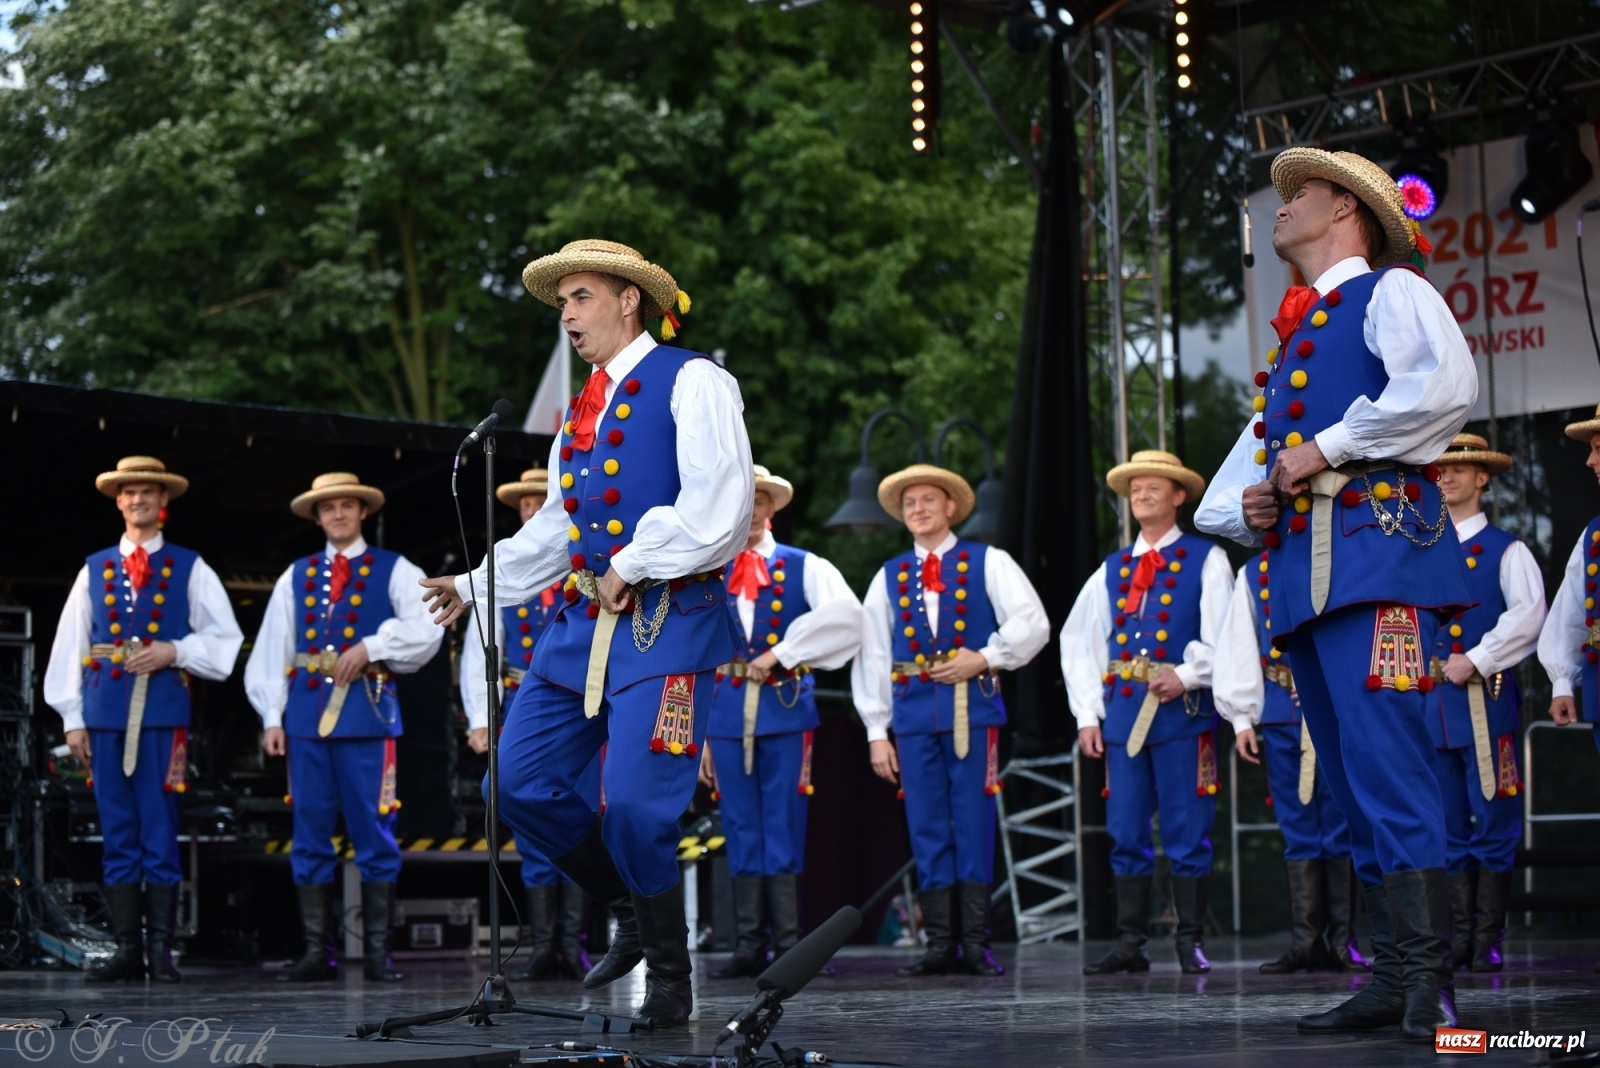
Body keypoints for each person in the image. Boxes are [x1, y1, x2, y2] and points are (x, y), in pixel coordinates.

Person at [420, 240, 752, 1027]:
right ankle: (626, 908)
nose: (566, 314)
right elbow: (560, 526)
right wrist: (474, 585)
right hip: (582, 629)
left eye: (579, 297)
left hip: (668, 625)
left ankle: (671, 980)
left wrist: (633, 561)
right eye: (562, 301)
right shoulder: (584, 407)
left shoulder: (693, 380)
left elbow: (722, 505)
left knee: (638, 807)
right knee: (516, 784)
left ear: (628, 300)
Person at [1195, 148, 1477, 1041]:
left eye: (1300, 196)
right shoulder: (1290, 348)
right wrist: (1253, 499)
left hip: (1376, 561)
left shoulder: (1392, 292)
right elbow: (1222, 503)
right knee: (1352, 780)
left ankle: (1431, 984)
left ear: (1347, 210)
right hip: (1305, 582)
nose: (1281, 210)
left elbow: (1444, 389)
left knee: (1391, 765)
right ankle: (1390, 978)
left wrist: (1327, 447)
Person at [44, 457, 243, 983]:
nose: (138, 502)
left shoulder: (189, 566)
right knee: (117, 828)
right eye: (129, 494)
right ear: (119, 502)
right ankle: (127, 950)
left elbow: (226, 639)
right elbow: (71, 645)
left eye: (147, 494)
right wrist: (72, 717)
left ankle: (162, 952)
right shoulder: (94, 568)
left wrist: (174, 650)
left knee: (160, 826)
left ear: (163, 503)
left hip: (161, 715)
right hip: (105, 714)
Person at [852, 464, 1049, 978]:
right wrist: (877, 732)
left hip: (973, 712)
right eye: (910, 503)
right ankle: (940, 942)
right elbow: (872, 655)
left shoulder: (989, 561)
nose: (919, 509)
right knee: (926, 826)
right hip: (913, 715)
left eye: (928, 501)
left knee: (974, 820)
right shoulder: (889, 575)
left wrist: (984, 656)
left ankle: (976, 942)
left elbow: (1033, 624)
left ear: (951, 507)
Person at [244, 472, 442, 982]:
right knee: (308, 832)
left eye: (347, 506)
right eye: (328, 508)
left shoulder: (394, 569)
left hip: (368, 716)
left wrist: (373, 646)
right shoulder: (298, 574)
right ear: (317, 516)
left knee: (374, 832)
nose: (338, 514)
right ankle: (317, 950)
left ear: (362, 512)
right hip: (307, 719)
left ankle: (378, 953)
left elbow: (428, 627)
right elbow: (272, 647)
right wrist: (271, 715)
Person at [1062, 451, 1232, 976]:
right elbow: (1079, 642)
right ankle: (1130, 942)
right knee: (1126, 827)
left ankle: (1188, 941)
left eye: (1154, 486)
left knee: (1187, 827)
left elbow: (1225, 635)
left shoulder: (1208, 559)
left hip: (1183, 712)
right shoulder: (1112, 569)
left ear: (1179, 495)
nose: (1142, 494)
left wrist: (1187, 672)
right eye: (1135, 488)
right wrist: (1088, 715)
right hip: (1124, 717)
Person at [699, 464, 863, 978]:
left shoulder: (804, 565)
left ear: (772, 509)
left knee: (784, 825)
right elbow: (693, 655)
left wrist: (785, 652)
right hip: (724, 713)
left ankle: (791, 944)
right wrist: (699, 733)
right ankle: (749, 944)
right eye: (740, 503)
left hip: (784, 707)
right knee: (741, 826)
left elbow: (847, 617)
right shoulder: (707, 570)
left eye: (758, 502)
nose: (750, 513)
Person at [459, 466, 599, 981]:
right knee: (531, 824)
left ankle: (575, 942)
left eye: (541, 499)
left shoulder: (588, 555)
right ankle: (544, 943)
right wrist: (481, 716)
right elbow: (480, 649)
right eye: (524, 503)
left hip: (581, 706)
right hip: (524, 703)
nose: (532, 508)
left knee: (579, 811)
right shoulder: (504, 566)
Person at [1214, 554, 1365, 974]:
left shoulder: (1339, 552)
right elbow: (1240, 642)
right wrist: (1242, 717)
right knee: (1296, 825)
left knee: (1340, 821)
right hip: (1280, 710)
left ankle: (1342, 942)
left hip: (1336, 706)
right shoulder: (1253, 571)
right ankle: (1305, 942)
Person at [1427, 434, 1543, 973]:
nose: (1446, 478)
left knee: (1494, 813)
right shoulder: (1421, 546)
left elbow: (1528, 616)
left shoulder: (1507, 549)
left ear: (1483, 478)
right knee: (1445, 820)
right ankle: (1459, 935)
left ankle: (1489, 936)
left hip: (1485, 699)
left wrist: (1476, 657)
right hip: (1430, 704)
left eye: (1459, 469)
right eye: (1439, 470)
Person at [1536, 404, 1600, 975]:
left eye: (1599, 446)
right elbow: (1573, 610)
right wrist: (1562, 677)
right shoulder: (1594, 534)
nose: (1590, 458)